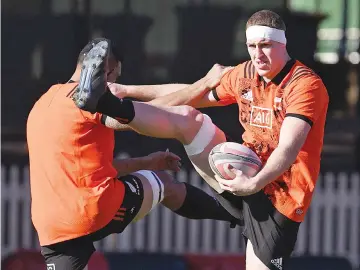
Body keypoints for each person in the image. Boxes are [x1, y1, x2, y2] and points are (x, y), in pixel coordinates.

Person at [73, 10, 329, 270]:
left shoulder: (305, 85)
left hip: (278, 198)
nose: (257, 54)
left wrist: (252, 184)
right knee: (189, 119)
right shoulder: (246, 74)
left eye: (266, 45)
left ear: (282, 44)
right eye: (252, 46)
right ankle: (114, 110)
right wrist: (128, 91)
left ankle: (231, 212)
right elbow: (192, 93)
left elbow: (288, 148)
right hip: (242, 175)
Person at [26, 38, 242, 270]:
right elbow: (150, 114)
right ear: (106, 72)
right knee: (165, 183)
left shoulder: (44, 101)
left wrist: (145, 162)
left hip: (51, 226)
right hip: (92, 209)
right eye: (114, 79)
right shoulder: (88, 100)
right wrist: (204, 83)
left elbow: (89, 167)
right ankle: (234, 214)